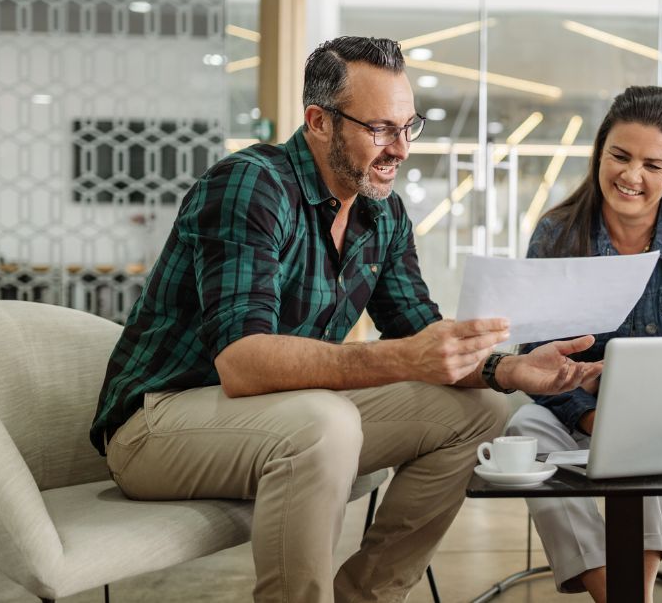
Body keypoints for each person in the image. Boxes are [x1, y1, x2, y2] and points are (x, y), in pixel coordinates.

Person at [88, 36, 600, 603]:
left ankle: (367, 596)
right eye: (380, 128)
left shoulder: (383, 214)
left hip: (285, 416)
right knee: (324, 421)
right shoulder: (251, 184)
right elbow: (240, 362)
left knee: (478, 410)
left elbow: (417, 330)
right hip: (159, 426)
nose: (401, 150)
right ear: (319, 122)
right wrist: (401, 358)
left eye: (409, 127)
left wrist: (511, 370)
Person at [505, 85, 662, 602]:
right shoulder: (557, 233)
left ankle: (637, 593)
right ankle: (617, 593)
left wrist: (640, 410)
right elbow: (534, 359)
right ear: (600, 154)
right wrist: (591, 418)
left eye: (652, 165)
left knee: (648, 430)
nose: (632, 176)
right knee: (524, 426)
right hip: (579, 414)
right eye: (620, 156)